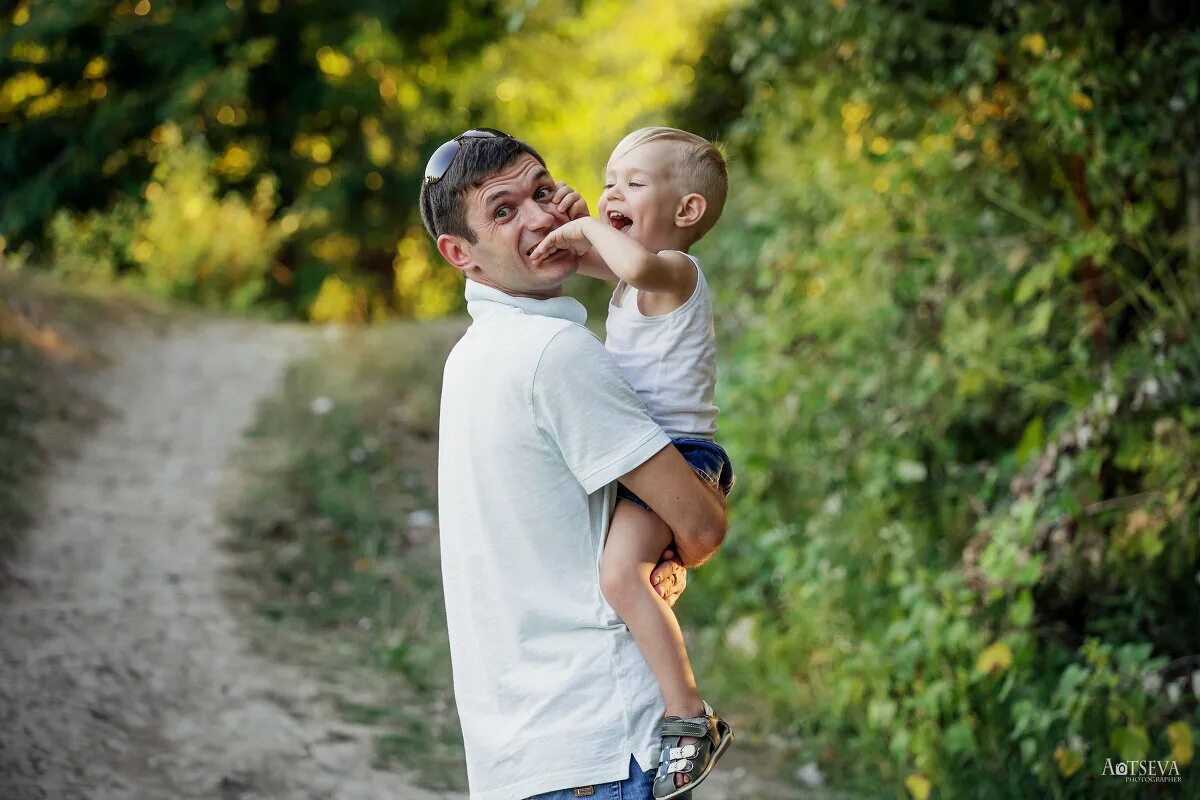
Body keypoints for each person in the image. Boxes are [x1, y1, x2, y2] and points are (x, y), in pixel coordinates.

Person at [419, 128, 728, 800]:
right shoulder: (555, 355)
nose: (536, 218)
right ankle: (691, 714)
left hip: (519, 754)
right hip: (600, 743)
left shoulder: (471, 359)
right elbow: (701, 529)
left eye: (540, 191)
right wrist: (673, 552)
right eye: (503, 212)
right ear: (458, 255)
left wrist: (585, 226)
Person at [530, 127, 734, 799]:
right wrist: (565, 224)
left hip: (680, 456)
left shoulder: (674, 271)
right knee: (625, 580)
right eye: (609, 178)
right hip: (641, 455)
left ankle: (689, 715)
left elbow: (629, 264)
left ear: (686, 213)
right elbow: (579, 260)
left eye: (634, 184)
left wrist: (588, 220)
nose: (614, 191)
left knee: (621, 576)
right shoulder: (628, 279)